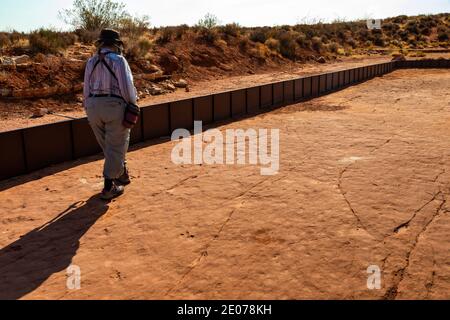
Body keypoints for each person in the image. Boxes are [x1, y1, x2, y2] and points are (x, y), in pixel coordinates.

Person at [83, 29, 138, 200]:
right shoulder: (119, 60)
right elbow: (126, 86)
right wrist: (133, 104)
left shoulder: (91, 61)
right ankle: (109, 187)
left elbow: (86, 88)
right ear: (116, 44)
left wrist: (87, 107)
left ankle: (122, 173)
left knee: (108, 146)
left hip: (92, 107)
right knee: (116, 146)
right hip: (114, 106)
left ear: (101, 43)